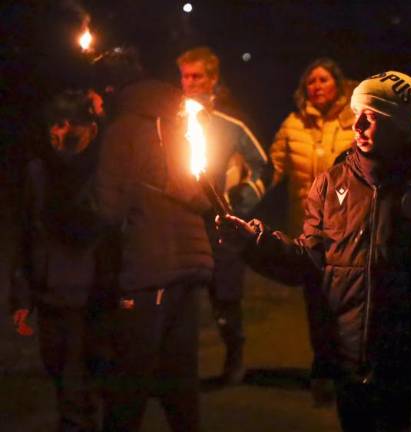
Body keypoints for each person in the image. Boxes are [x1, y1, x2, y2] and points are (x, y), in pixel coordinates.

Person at [220, 71, 411, 432]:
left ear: (400, 124)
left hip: (407, 358)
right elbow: (308, 262)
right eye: (357, 113)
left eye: (372, 116)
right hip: (347, 357)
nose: (357, 125)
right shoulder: (332, 182)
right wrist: (254, 243)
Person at [93, 48, 213, 432]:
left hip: (148, 271)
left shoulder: (123, 129)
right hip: (189, 265)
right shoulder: (180, 122)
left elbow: (108, 210)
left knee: (128, 386)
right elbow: (198, 190)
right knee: (180, 384)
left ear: (111, 88)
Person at [10, 89, 106, 432]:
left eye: (69, 124)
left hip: (87, 297)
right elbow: (28, 233)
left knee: (78, 385)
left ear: (90, 129)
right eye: (54, 123)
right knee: (57, 371)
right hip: (49, 293)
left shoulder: (101, 171)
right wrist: (22, 297)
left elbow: (96, 229)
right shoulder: (38, 172)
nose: (59, 132)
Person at [177, 46, 269, 383]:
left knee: (225, 296)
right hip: (183, 224)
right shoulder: (171, 120)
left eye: (197, 75)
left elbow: (262, 167)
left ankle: (234, 358)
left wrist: (236, 203)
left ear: (213, 78)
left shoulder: (230, 124)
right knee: (181, 297)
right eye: (185, 76)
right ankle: (179, 368)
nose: (190, 82)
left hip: (219, 227)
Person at [270, 57, 356, 236]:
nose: (317, 86)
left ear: (338, 84)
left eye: (323, 80)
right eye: (311, 82)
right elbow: (273, 169)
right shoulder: (293, 124)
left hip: (345, 223)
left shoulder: (355, 123)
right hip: (302, 225)